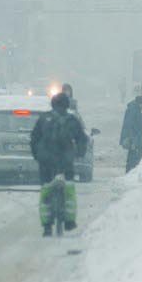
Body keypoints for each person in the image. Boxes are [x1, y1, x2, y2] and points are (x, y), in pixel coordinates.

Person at [29, 91, 89, 233]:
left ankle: (46, 225)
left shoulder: (44, 119)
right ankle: (69, 221)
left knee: (45, 189)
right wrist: (80, 153)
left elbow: (34, 139)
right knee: (69, 188)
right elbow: (81, 138)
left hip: (46, 160)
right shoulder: (71, 120)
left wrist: (37, 155)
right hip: (65, 160)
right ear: (67, 105)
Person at [119, 92, 142, 174]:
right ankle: (132, 168)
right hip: (133, 136)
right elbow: (129, 124)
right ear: (140, 103)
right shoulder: (133, 109)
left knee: (133, 152)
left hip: (135, 136)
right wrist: (131, 138)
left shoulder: (135, 108)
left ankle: (131, 169)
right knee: (137, 150)